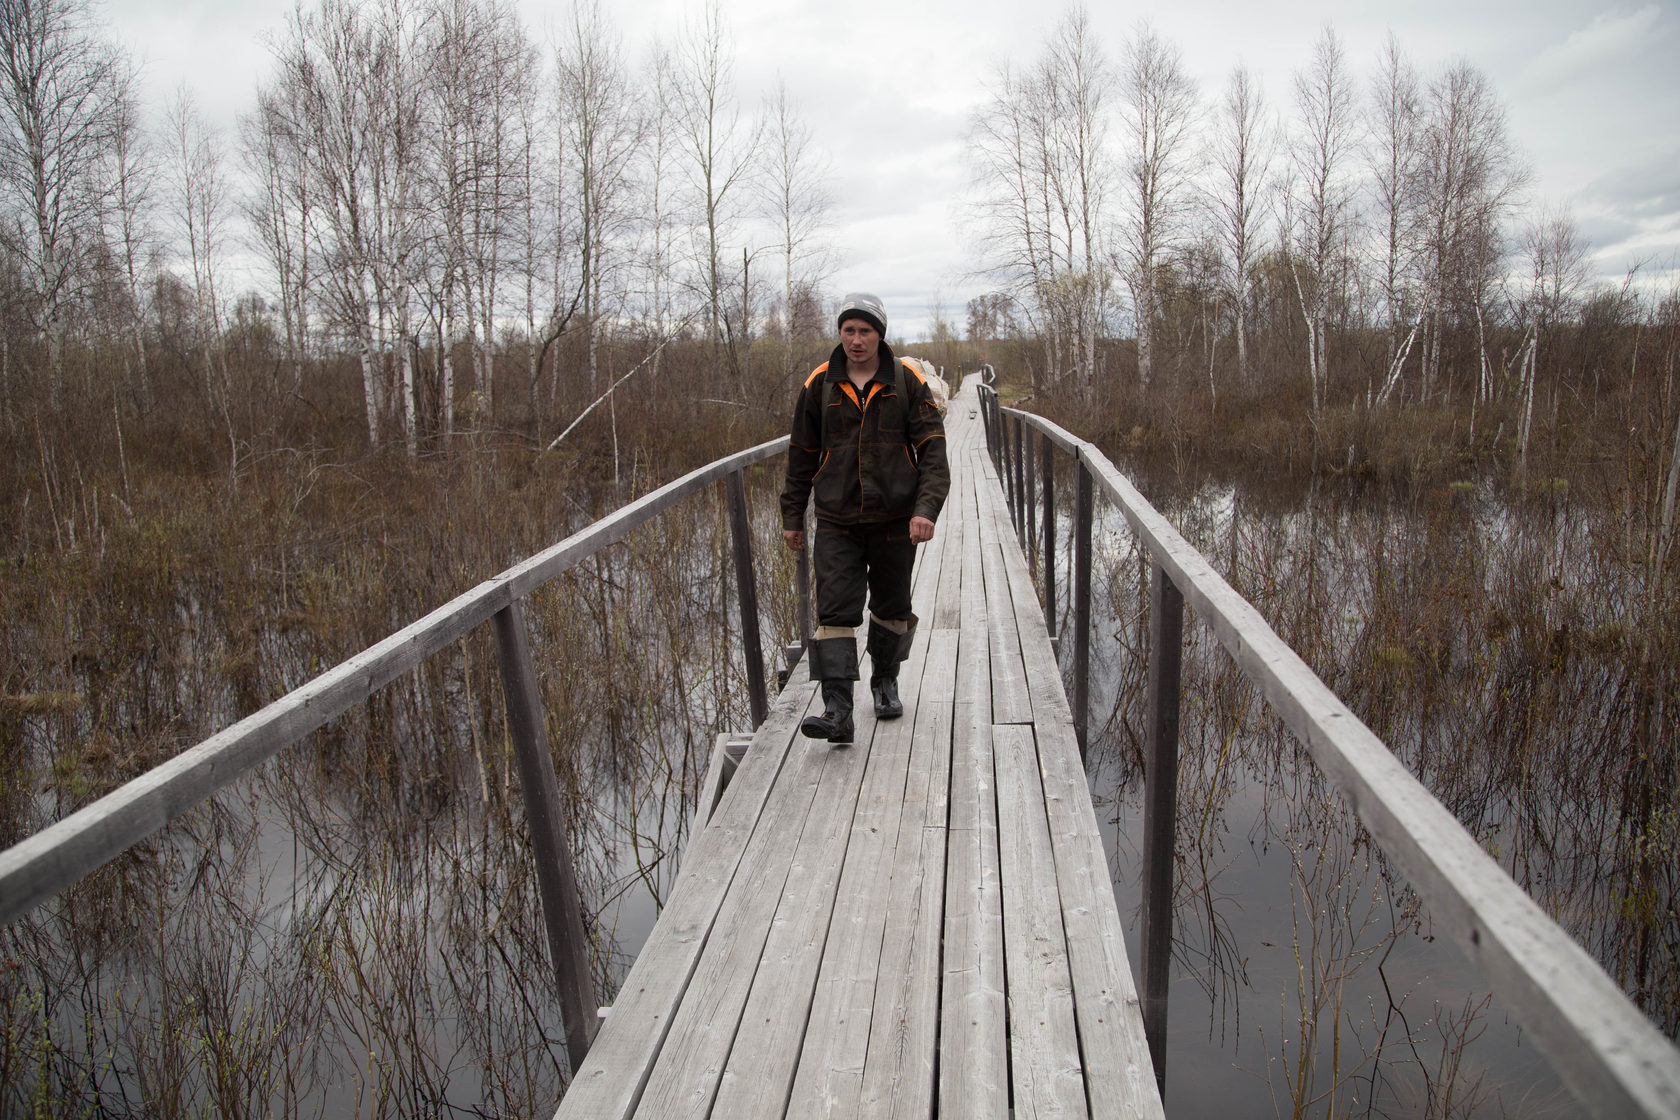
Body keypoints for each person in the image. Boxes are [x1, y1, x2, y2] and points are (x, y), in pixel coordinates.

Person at [780, 292, 949, 743]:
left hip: (895, 519)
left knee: (892, 608)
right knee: (834, 610)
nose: (856, 340)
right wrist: (792, 515)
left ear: (880, 334)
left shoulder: (907, 380)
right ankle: (837, 710)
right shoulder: (819, 384)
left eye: (865, 331)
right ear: (840, 333)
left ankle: (885, 681)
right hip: (836, 519)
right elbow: (801, 454)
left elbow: (933, 450)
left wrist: (925, 509)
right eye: (849, 330)